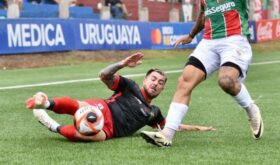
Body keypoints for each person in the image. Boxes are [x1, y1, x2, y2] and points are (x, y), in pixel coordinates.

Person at [140, 0, 264, 147]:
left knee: (226, 81)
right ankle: (166, 135)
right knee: (185, 81)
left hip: (234, 39)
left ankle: (250, 108)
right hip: (209, 42)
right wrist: (191, 35)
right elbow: (203, 13)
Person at [25, 52, 215, 142]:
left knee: (94, 137)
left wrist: (199, 128)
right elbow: (104, 75)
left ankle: (54, 126)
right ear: (145, 80)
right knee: (85, 109)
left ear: (162, 89)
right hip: (103, 110)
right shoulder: (130, 86)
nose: (155, 83)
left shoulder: (153, 112)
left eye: (160, 83)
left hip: (111, 132)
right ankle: (46, 103)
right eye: (153, 79)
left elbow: (172, 126)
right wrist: (121, 64)